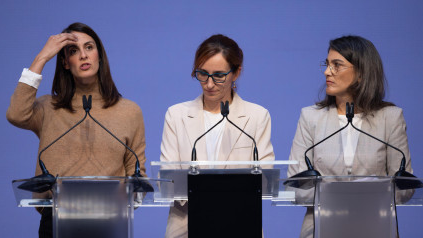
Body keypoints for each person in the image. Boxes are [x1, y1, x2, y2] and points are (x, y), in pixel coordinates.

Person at [6, 22, 146, 238]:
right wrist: (41, 58)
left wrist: (125, 203)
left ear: (100, 56)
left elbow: (137, 174)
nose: (83, 56)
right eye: (74, 51)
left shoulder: (129, 111)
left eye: (89, 47)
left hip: (109, 220)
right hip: (56, 220)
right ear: (64, 62)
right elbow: (16, 114)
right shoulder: (48, 108)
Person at [287, 35, 413, 238]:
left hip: (377, 229)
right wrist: (350, 195)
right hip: (319, 230)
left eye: (337, 65)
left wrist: (340, 194)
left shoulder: (391, 118)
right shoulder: (310, 117)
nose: (328, 72)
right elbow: (298, 187)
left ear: (362, 73)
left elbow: (405, 189)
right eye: (327, 64)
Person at [160, 34, 275, 237]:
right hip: (185, 227)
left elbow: (264, 177)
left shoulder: (257, 116)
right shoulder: (176, 115)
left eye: (219, 75)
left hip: (240, 223)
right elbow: (170, 177)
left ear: (236, 72)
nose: (209, 84)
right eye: (202, 74)